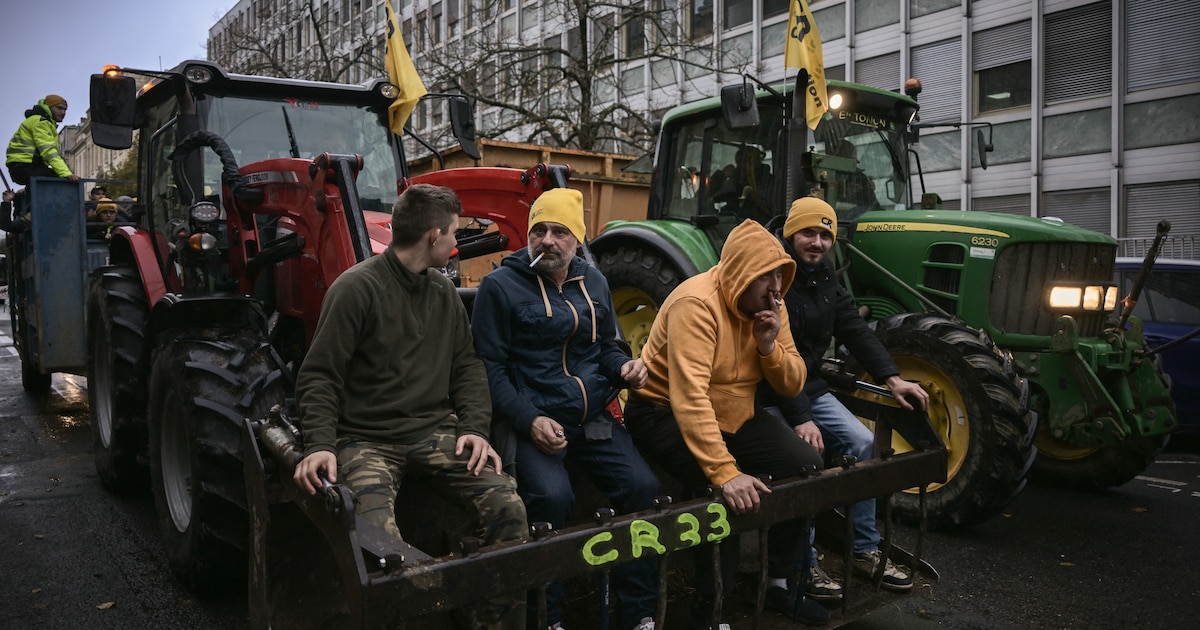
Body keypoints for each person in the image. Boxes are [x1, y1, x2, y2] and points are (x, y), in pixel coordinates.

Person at [293, 183, 528, 629]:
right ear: (433, 236)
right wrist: (319, 445)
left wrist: (475, 429)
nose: (458, 245)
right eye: (455, 235)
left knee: (508, 510)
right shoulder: (356, 289)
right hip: (367, 441)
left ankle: (493, 621)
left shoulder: (443, 294)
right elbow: (320, 374)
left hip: (435, 432)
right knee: (382, 548)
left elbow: (468, 369)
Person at [623, 219, 829, 627]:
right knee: (727, 494)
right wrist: (725, 472)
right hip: (661, 410)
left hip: (734, 412)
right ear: (740, 275)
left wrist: (769, 348)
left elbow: (793, 383)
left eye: (779, 274)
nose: (776, 286)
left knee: (807, 466)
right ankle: (711, 610)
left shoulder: (773, 303)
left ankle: (779, 585)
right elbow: (689, 397)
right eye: (766, 276)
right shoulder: (695, 304)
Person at [471, 188, 659, 630]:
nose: (548, 240)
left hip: (592, 417)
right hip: (532, 416)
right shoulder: (500, 287)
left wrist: (625, 366)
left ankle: (638, 614)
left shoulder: (593, 281)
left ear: (579, 239)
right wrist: (529, 419)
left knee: (643, 488)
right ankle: (546, 618)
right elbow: (488, 370)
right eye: (539, 230)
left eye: (560, 231)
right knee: (553, 499)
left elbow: (607, 347)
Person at [763, 197, 927, 597]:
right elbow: (775, 360)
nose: (816, 242)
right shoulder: (772, 275)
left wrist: (892, 379)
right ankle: (804, 562)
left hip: (810, 386)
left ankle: (863, 547)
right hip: (768, 389)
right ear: (790, 234)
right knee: (805, 462)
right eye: (807, 233)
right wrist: (802, 418)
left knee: (863, 443)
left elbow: (854, 328)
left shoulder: (824, 277)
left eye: (824, 235)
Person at [5, 95, 80, 186]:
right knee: (62, 181)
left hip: (21, 166)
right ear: (48, 107)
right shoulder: (41, 122)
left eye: (65, 110)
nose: (63, 112)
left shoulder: (38, 121)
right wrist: (66, 173)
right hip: (25, 166)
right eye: (59, 108)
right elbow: (49, 152)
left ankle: (28, 193)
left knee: (50, 178)